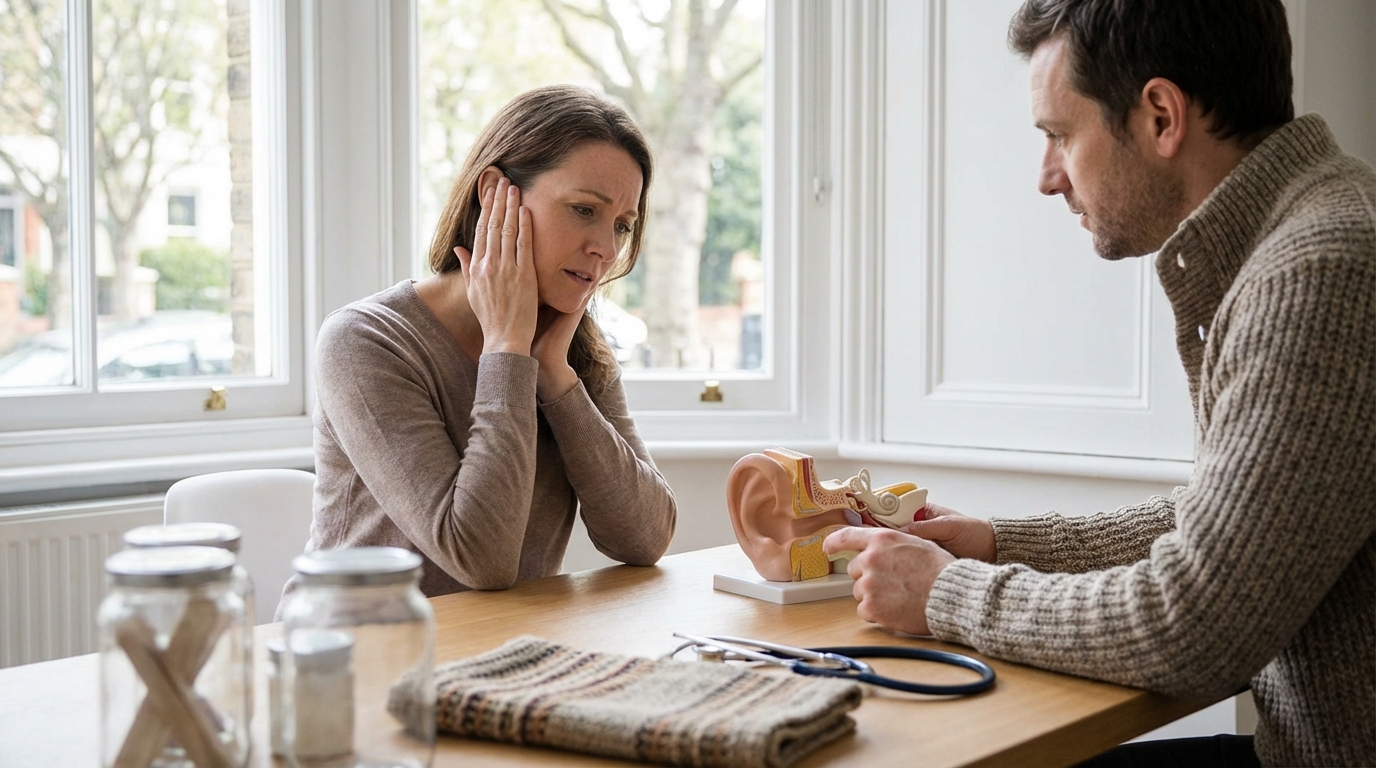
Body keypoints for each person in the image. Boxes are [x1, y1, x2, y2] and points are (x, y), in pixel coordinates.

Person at [823, 1, 1375, 766]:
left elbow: (1194, 624)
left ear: (1159, 116)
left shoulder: (1320, 271)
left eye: (1058, 135)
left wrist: (947, 595)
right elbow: (1240, 518)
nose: (1048, 177)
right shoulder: (1311, 234)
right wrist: (997, 544)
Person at [290, 85, 677, 603]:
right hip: (353, 658)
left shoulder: (569, 347)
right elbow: (480, 558)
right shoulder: (365, 341)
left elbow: (645, 538)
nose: (605, 249)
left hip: (505, 658)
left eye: (622, 226)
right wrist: (507, 351)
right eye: (584, 210)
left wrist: (556, 378)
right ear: (496, 192)